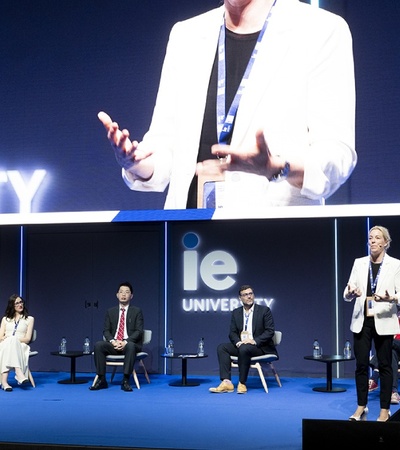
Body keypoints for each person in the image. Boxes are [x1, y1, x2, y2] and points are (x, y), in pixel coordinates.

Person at [98, 0, 356, 211]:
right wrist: (135, 163)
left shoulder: (321, 30)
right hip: (188, 237)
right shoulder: (186, 35)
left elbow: (337, 156)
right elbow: (164, 148)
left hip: (276, 238)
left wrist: (276, 167)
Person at [344, 225, 400, 422]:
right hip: (362, 320)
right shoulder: (359, 263)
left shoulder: (395, 264)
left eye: (377, 238)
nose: (373, 241)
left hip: (384, 319)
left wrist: (391, 298)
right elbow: (347, 292)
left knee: (385, 365)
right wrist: (350, 293)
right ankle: (361, 406)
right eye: (370, 237)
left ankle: (384, 410)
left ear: (386, 242)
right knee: (361, 365)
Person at [209, 284, 278, 393]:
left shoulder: (264, 310)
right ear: (240, 298)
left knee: (245, 348)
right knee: (222, 347)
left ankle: (242, 383)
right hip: (242, 346)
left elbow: (270, 331)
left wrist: (254, 341)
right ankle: (227, 382)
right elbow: (232, 333)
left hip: (259, 347)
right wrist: (238, 342)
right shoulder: (236, 312)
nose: (249, 297)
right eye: (245, 295)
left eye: (251, 294)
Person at [90, 282, 144, 392]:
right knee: (99, 345)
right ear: (117, 295)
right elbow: (106, 330)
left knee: (130, 346)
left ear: (131, 296)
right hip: (113, 344)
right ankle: (101, 379)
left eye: (127, 292)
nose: (123, 294)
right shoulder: (110, 312)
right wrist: (113, 341)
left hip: (129, 345)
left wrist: (125, 342)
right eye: (121, 292)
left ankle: (125, 380)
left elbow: (139, 331)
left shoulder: (137, 311)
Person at [0, 294, 34, 391]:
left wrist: (13, 339)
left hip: (21, 345)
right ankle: (18, 372)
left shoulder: (30, 319)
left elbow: (27, 339)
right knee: (9, 344)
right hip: (4, 344)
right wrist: (9, 339)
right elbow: (0, 337)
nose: (20, 305)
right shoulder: (5, 319)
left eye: (21, 302)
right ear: (12, 306)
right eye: (17, 303)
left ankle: (4, 382)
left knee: (12, 340)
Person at [368, 308, 400, 405]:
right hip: (395, 352)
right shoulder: (393, 322)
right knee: (390, 352)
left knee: (386, 343)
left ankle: (374, 376)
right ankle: (393, 392)